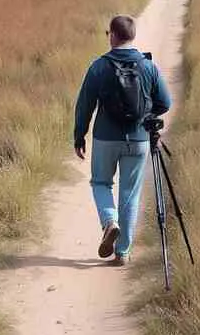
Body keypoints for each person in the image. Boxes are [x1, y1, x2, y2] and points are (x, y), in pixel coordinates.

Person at [73, 14, 171, 265]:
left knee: (101, 183)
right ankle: (123, 252)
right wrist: (147, 116)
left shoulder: (98, 66)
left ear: (113, 36)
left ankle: (109, 222)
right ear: (133, 36)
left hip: (105, 138)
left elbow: (85, 105)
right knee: (130, 193)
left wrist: (79, 135)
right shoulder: (148, 66)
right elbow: (165, 102)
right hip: (138, 140)